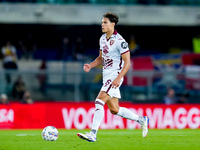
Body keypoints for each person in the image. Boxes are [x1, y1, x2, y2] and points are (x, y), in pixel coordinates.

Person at [77, 12, 149, 142]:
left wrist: (118, 77)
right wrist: (91, 65)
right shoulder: (102, 39)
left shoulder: (120, 42)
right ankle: (141, 119)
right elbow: (101, 58)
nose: (102, 25)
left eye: (105, 22)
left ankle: (93, 134)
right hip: (106, 76)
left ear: (112, 24)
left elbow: (128, 63)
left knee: (99, 101)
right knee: (114, 110)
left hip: (115, 76)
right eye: (102, 22)